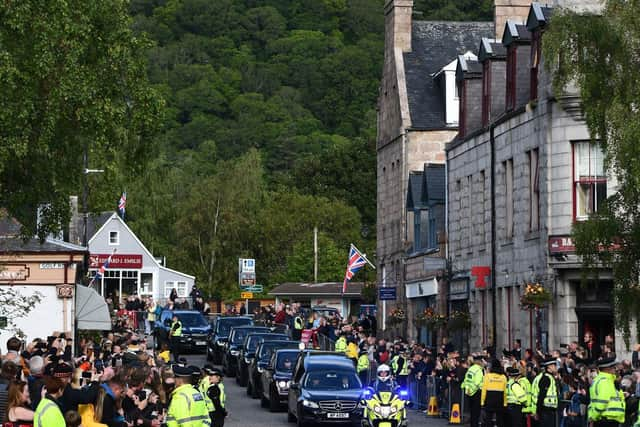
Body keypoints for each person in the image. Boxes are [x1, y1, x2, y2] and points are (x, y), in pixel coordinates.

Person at [588, 357, 625, 426]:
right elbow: (602, 402)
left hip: (605, 419)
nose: (616, 369)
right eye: (614, 367)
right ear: (607, 369)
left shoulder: (604, 380)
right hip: (606, 421)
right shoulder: (605, 381)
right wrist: (593, 418)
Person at [532, 358, 559, 427]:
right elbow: (541, 395)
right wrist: (538, 412)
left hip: (549, 410)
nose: (556, 367)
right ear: (549, 367)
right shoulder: (546, 378)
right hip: (546, 411)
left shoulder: (550, 377)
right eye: (554, 365)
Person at [481, 359, 507, 427]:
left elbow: (484, 390)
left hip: (489, 399)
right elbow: (505, 391)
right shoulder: (503, 377)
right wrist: (505, 403)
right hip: (499, 399)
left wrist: (482, 402)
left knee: (488, 419)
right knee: (500, 419)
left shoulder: (487, 376)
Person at [462, 354, 485, 427]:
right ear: (480, 362)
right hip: (476, 393)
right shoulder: (479, 370)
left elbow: (466, 380)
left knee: (472, 412)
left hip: (469, 392)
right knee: (476, 413)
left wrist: (467, 389)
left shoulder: (470, 369)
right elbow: (478, 383)